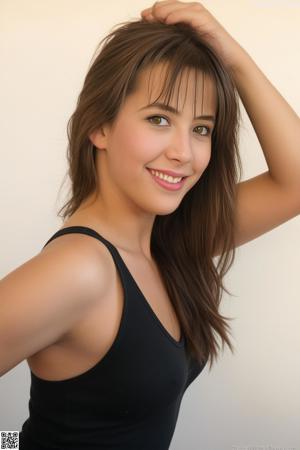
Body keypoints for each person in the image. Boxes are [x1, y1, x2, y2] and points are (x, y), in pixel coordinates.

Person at [0, 1, 299, 449]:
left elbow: (294, 183)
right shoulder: (78, 271)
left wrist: (230, 53)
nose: (184, 152)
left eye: (201, 129)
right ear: (99, 126)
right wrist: (11, 444)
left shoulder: (170, 242)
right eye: (159, 119)